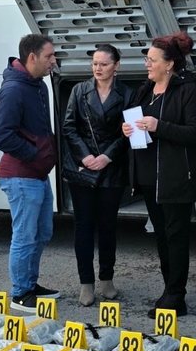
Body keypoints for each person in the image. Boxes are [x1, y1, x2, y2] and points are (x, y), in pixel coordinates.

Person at [121, 32, 196, 318]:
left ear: (169, 64)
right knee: (162, 238)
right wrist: (127, 129)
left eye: (152, 60)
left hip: (177, 177)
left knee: (176, 236)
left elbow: (193, 132)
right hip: (149, 176)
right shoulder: (145, 90)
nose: (146, 64)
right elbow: (133, 120)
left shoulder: (188, 90)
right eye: (146, 59)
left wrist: (159, 125)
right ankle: (169, 289)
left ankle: (176, 296)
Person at [0, 34, 60, 313]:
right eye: (49, 56)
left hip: (37, 175)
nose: (53, 61)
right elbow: (0, 136)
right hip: (20, 176)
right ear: (32, 57)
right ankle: (20, 293)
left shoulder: (38, 86)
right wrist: (35, 154)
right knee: (24, 235)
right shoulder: (13, 90)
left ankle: (31, 284)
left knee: (42, 232)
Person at [61, 44, 132, 306]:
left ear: (116, 66)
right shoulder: (79, 90)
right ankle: (86, 283)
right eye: (94, 64)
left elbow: (129, 132)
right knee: (83, 227)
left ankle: (107, 280)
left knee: (108, 227)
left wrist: (107, 156)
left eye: (103, 64)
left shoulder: (127, 93)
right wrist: (86, 157)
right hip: (84, 169)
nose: (98, 69)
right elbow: (69, 127)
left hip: (112, 168)